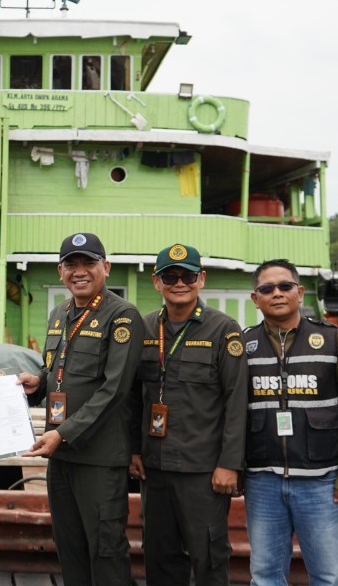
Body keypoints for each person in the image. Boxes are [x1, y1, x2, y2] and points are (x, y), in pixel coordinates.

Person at [19, 233, 144, 586]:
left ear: (106, 267)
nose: (79, 272)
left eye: (88, 263)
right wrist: (38, 383)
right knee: (69, 545)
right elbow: (59, 372)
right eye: (71, 264)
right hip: (61, 455)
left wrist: (64, 432)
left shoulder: (122, 315)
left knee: (106, 547)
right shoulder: (59, 313)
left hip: (98, 456)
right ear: (60, 271)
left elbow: (115, 389)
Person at [128, 243, 246, 586]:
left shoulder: (224, 329)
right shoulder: (144, 328)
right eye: (170, 276)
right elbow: (133, 398)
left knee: (208, 555)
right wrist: (134, 450)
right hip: (155, 467)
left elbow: (237, 400)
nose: (179, 283)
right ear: (156, 282)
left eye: (188, 276)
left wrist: (229, 464)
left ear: (201, 279)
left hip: (203, 470)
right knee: (159, 554)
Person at [243, 259, 338, 586]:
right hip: (263, 480)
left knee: (328, 576)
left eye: (285, 286)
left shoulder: (334, 340)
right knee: (265, 576)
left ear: (299, 292)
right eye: (267, 288)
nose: (277, 293)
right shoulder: (242, 346)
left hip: (321, 481)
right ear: (255, 299)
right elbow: (233, 411)